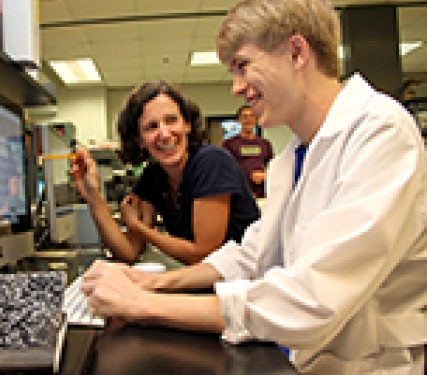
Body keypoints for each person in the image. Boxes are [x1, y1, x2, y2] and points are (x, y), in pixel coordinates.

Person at [79, 0, 427, 374]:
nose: (236, 88)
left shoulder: (380, 133)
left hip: (366, 366)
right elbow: (251, 255)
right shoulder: (296, 154)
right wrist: (155, 284)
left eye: (243, 66)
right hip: (303, 357)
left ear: (296, 52)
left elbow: (313, 299)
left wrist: (142, 304)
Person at [70, 80, 260, 265]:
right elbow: (129, 252)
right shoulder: (154, 176)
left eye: (171, 120)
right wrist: (93, 196)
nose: (165, 133)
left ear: (187, 125)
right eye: (151, 127)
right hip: (214, 285)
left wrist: (137, 227)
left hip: (250, 284)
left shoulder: (211, 162)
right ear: (139, 140)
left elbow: (204, 255)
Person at [222, 105, 274, 198]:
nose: (248, 119)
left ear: (256, 119)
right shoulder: (229, 144)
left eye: (252, 116)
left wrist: (265, 175)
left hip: (261, 194)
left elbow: (271, 166)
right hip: (239, 193)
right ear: (239, 120)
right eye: (244, 116)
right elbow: (224, 169)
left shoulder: (265, 144)